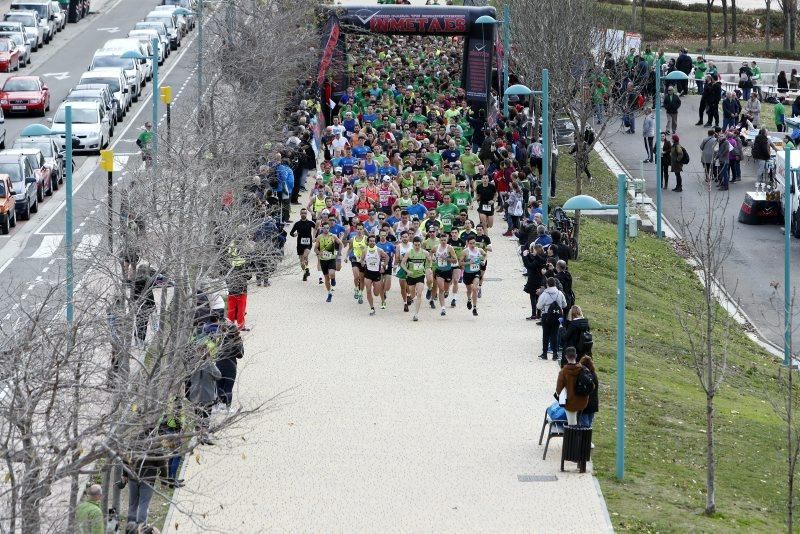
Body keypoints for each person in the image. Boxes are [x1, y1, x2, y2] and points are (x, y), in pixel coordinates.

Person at [555, 347, 590, 425]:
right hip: (583, 402)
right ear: (576, 356)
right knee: (580, 423)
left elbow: (558, 390)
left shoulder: (563, 372)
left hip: (570, 403)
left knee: (572, 425)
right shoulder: (583, 369)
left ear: (566, 357)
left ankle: (573, 435)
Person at [536, 277, 567, 361]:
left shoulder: (544, 294)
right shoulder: (560, 293)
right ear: (555, 284)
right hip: (557, 317)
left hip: (546, 316)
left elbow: (538, 306)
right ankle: (555, 354)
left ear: (547, 284)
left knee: (545, 335)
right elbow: (564, 305)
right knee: (555, 335)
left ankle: (544, 354)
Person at [358, 234, 389, 316]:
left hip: (377, 273)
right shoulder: (365, 250)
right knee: (368, 290)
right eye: (370, 241)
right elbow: (361, 260)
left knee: (376, 293)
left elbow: (387, 257)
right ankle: (372, 308)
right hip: (368, 273)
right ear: (368, 242)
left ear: (375, 242)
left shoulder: (379, 250)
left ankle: (383, 300)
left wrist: (384, 266)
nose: (372, 242)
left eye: (373, 241)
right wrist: (362, 263)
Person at [400, 236, 430, 322]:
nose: (417, 246)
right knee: (412, 294)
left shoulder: (425, 253)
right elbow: (402, 263)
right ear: (413, 245)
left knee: (419, 294)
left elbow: (430, 261)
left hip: (420, 275)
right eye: (415, 245)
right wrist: (407, 271)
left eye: (418, 245)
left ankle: (416, 314)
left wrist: (428, 267)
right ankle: (409, 297)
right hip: (411, 276)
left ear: (421, 244)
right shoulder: (409, 253)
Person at [314, 221, 342, 303]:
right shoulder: (319, 237)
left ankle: (333, 279)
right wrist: (319, 253)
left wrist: (339, 253)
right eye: (324, 228)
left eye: (327, 228)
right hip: (323, 260)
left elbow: (340, 244)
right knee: (326, 278)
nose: (326, 229)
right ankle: (329, 293)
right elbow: (315, 249)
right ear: (322, 228)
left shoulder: (333, 236)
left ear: (329, 228)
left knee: (332, 273)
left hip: (331, 258)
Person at [290, 208, 316, 282]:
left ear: (306, 214)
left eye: (305, 213)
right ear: (300, 214)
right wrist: (294, 235)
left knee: (305, 256)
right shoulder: (297, 223)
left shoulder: (310, 223)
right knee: (301, 261)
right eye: (302, 213)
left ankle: (307, 269)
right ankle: (305, 272)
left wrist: (315, 237)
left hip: (308, 243)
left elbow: (317, 229)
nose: (303, 214)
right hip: (300, 244)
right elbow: (291, 232)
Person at [578, 355, 599, 429]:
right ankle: (587, 439)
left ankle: (583, 440)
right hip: (593, 404)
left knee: (584, 425)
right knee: (589, 425)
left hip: (585, 404)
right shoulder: (594, 374)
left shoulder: (584, 375)